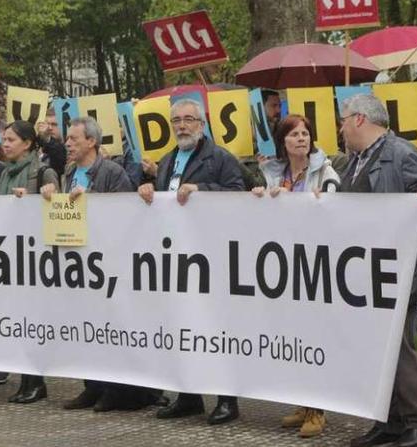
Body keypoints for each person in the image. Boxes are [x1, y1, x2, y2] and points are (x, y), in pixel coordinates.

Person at [338, 94, 417, 447]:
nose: (341, 127)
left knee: (398, 346)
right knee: (380, 348)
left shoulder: (400, 152)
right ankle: (391, 421)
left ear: (360, 119)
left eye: (344, 119)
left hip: (400, 267)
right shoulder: (355, 160)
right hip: (370, 270)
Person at [138, 98, 245, 425]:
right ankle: (188, 396)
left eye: (188, 120)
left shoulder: (221, 158)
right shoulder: (168, 160)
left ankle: (227, 398)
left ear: (202, 123)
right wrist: (146, 188)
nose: (182, 126)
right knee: (181, 327)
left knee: (215, 328)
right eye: (176, 121)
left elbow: (240, 191)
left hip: (210, 255)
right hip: (176, 258)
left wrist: (203, 189)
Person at [41, 117, 156, 412]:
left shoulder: (112, 172)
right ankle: (91, 386)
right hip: (79, 263)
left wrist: (89, 200)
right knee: (84, 326)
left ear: (92, 142)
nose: (67, 143)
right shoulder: (68, 172)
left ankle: (117, 390)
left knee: (110, 326)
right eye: (67, 139)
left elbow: (124, 213)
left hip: (107, 260)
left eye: (74, 139)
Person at [250, 113, 338, 438]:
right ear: (282, 141)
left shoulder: (325, 170)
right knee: (294, 335)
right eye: (294, 134)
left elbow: (335, 205)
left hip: (314, 262)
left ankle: (318, 409)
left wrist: (318, 202)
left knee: (314, 334)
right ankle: (303, 402)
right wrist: (261, 199)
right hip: (284, 264)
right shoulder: (276, 174)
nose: (301, 138)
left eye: (305, 133)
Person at [0, 120, 59, 404]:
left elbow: (58, 208)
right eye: (4, 139)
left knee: (34, 322)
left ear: (28, 143)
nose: (5, 144)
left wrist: (39, 198)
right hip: (11, 257)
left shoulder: (43, 171)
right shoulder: (5, 174)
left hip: (36, 258)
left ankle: (37, 381)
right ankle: (24, 379)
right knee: (18, 321)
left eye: (10, 139)